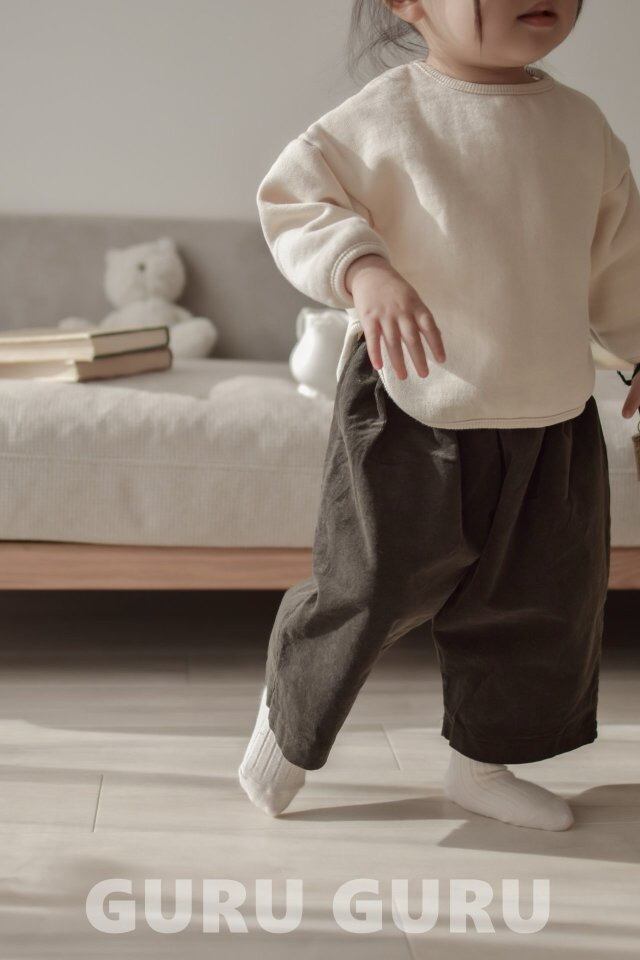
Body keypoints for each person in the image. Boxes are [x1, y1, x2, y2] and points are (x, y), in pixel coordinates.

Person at [239, 0, 640, 830]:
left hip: (550, 415)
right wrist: (364, 271)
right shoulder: (386, 115)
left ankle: (481, 764)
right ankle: (289, 721)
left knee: (537, 603)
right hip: (411, 401)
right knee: (368, 584)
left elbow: (618, 263)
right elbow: (296, 200)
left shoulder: (583, 127)